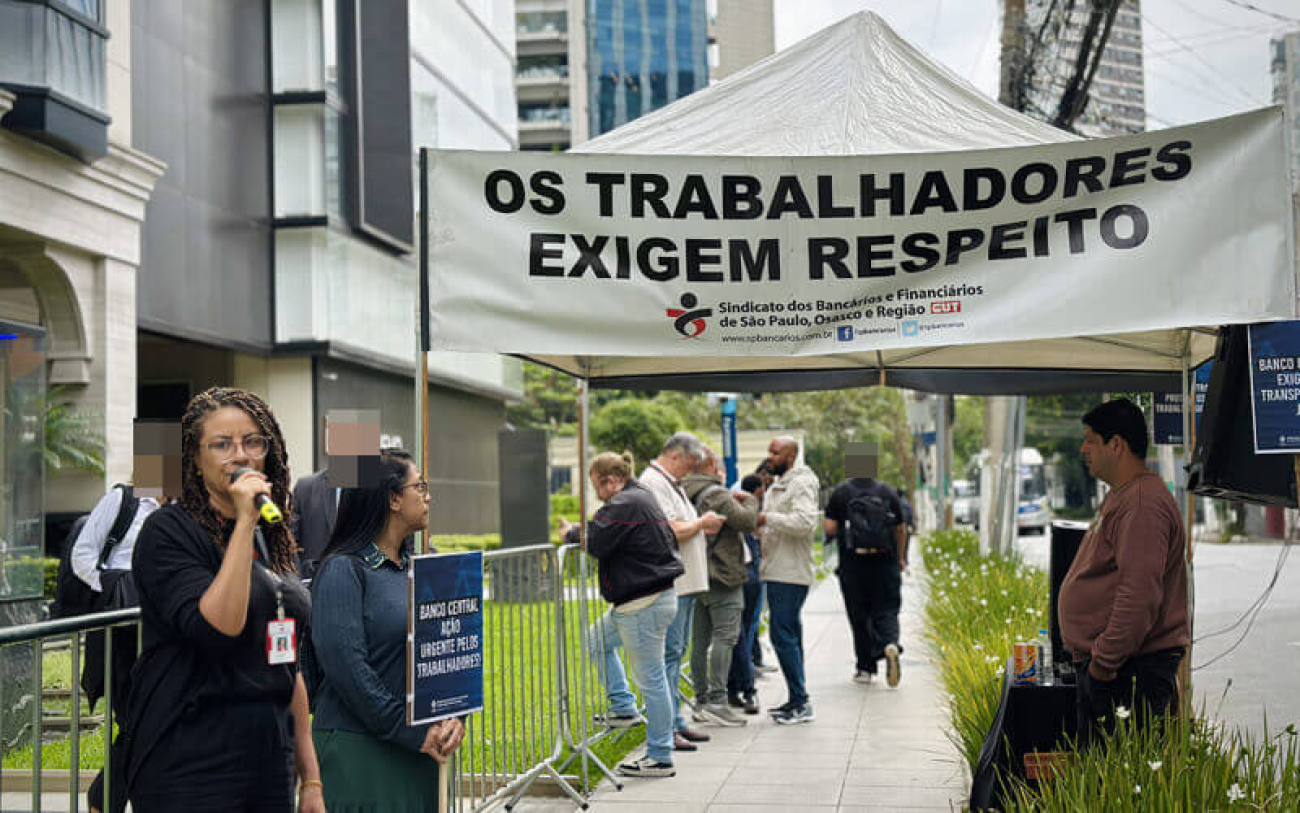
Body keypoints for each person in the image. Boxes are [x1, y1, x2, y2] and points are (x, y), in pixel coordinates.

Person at [124, 387, 323, 812]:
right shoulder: (168, 532)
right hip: (191, 758)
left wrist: (312, 780)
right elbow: (219, 627)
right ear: (194, 460)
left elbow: (286, 660)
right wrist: (245, 522)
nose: (241, 455)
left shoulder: (271, 538)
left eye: (253, 441)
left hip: (269, 757)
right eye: (221, 444)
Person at [309, 448, 466, 809]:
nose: (428, 495)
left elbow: (449, 651)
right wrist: (408, 730)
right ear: (393, 498)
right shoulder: (343, 570)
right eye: (420, 486)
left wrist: (455, 716)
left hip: (420, 751)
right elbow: (347, 668)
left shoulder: (422, 568)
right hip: (360, 753)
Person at [1059, 398, 1189, 746]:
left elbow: (1139, 594)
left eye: (1090, 439)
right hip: (1117, 668)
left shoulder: (1142, 504)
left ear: (1116, 444)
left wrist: (1103, 664)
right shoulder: (1124, 495)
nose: (1083, 448)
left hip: (1129, 672)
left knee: (1120, 785)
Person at [559, 452, 685, 777]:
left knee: (652, 679)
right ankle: (623, 707)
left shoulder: (624, 503)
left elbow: (597, 540)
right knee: (595, 640)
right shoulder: (639, 498)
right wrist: (581, 529)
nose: (597, 495)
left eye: (596, 488)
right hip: (646, 601)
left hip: (642, 604)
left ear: (610, 481)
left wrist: (571, 534)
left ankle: (659, 755)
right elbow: (604, 532)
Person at [638, 432, 724, 751]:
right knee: (669, 655)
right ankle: (666, 726)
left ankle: (674, 721)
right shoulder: (654, 483)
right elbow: (671, 529)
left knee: (676, 653)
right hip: (674, 582)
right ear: (675, 456)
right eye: (688, 465)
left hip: (684, 583)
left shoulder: (669, 482)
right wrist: (702, 523)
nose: (689, 472)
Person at [682, 447, 757, 727]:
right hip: (722, 573)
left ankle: (701, 700)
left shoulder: (684, 490)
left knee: (700, 639)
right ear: (713, 464)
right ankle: (717, 700)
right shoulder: (715, 493)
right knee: (725, 637)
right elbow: (747, 522)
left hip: (698, 574)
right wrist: (749, 500)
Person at [757, 437, 820, 725]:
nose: (770, 456)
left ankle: (801, 701)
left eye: (776, 452)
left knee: (781, 634)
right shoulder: (779, 484)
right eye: (769, 450)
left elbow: (806, 522)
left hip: (790, 571)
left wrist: (768, 518)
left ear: (791, 456)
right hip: (777, 569)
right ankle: (797, 698)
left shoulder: (801, 483)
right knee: (789, 633)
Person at [823, 471, 908, 687]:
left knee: (858, 614)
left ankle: (865, 667)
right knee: (887, 609)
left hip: (853, 564)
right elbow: (900, 528)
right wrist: (900, 558)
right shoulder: (887, 491)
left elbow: (829, 527)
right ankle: (890, 643)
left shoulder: (841, 493)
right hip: (885, 562)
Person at [727, 473, 767, 714]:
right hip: (742, 573)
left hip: (745, 573)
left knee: (740, 633)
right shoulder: (737, 506)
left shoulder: (730, 502)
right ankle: (745, 688)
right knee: (741, 633)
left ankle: (738, 688)